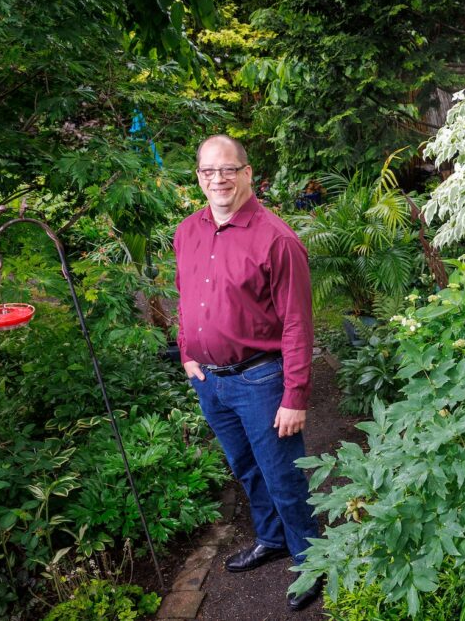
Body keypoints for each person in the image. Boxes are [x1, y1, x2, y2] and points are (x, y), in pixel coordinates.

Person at [174, 135, 323, 612]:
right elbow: (185, 295)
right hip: (209, 381)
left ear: (248, 173)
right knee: (246, 468)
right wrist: (186, 352)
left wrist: (294, 395)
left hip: (260, 380)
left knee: (283, 474)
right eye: (208, 171)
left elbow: (298, 323)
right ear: (198, 177)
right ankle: (273, 539)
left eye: (228, 169)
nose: (218, 179)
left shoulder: (276, 239)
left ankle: (311, 561)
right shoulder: (187, 231)